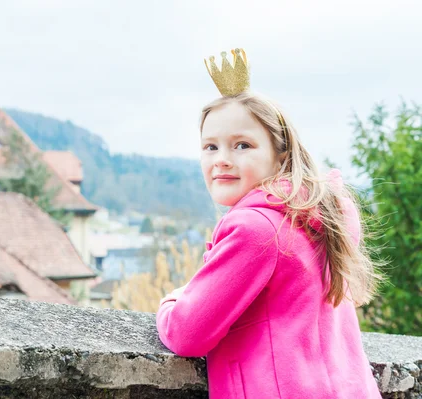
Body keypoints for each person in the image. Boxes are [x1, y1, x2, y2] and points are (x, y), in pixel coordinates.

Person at [156, 48, 383, 398]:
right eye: (210, 147)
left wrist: (173, 301)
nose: (222, 160)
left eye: (242, 145)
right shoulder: (320, 220)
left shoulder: (256, 230)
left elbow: (187, 333)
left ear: (281, 156)